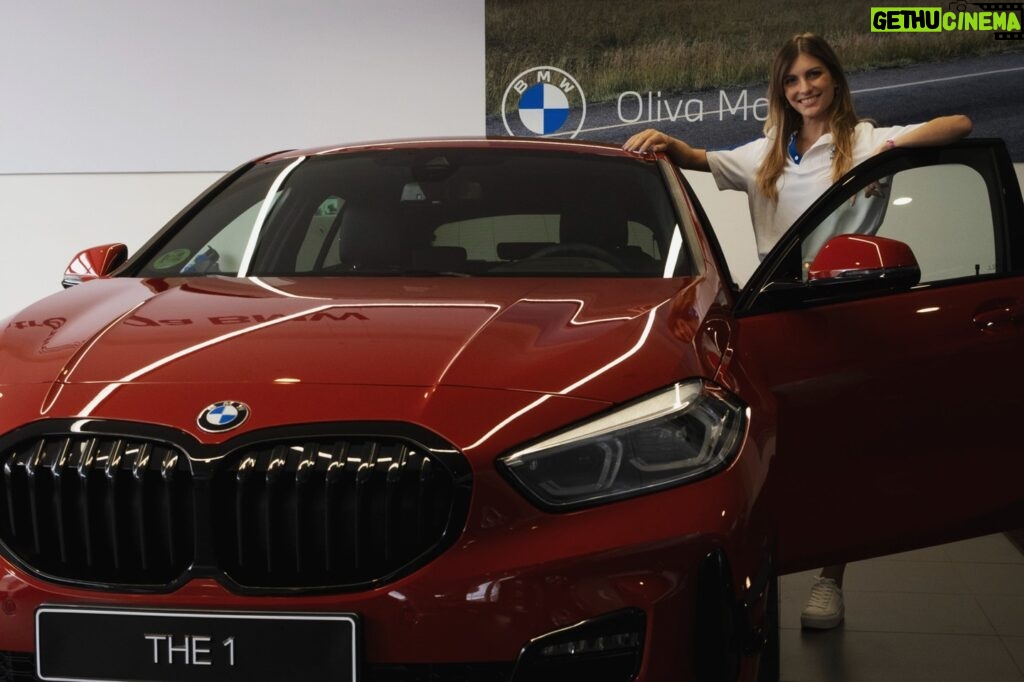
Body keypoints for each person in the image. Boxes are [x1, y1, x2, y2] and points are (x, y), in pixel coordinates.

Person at [623, 32, 972, 630]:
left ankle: (829, 581)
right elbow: (703, 161)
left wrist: (891, 150)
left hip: (845, 315)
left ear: (834, 79)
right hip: (776, 318)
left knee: (837, 453)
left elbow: (961, 125)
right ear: (780, 90)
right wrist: (668, 143)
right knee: (768, 456)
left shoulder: (862, 142)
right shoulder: (768, 152)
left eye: (814, 75)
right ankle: (756, 574)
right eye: (792, 80)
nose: (804, 87)